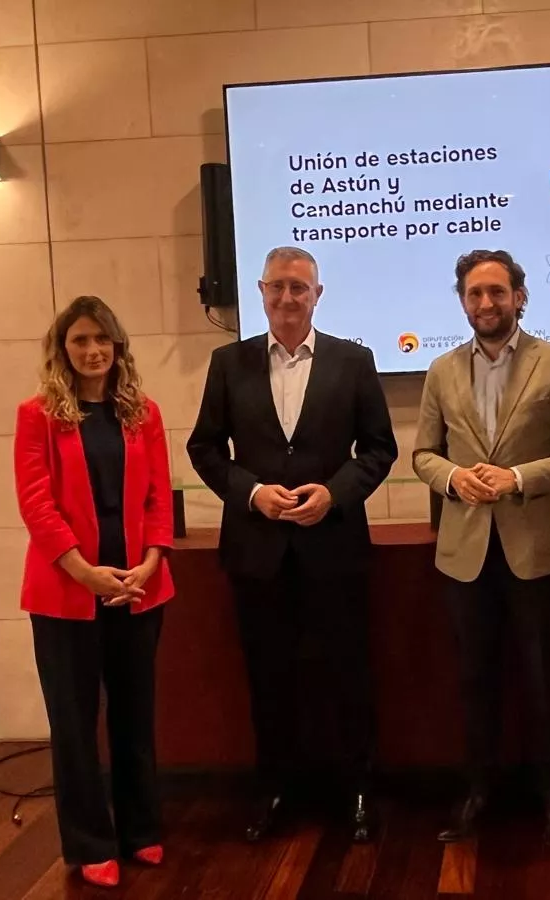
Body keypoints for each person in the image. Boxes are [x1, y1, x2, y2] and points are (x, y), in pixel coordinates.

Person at [186, 246, 397, 844]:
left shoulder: (353, 361)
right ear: (260, 291)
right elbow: (204, 449)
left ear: (317, 295)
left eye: (298, 288)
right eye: (276, 286)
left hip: (333, 547)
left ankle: (358, 788)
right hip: (258, 552)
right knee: (269, 678)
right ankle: (275, 788)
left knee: (347, 674)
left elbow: (380, 449)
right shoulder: (228, 363)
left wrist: (333, 494)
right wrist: (251, 493)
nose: (286, 298)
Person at [412, 248, 550, 849]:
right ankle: (477, 793)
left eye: (497, 292)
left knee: (544, 680)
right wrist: (451, 478)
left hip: (535, 550)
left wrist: (517, 479)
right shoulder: (441, 370)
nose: (486, 303)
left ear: (520, 296)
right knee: (474, 679)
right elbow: (422, 453)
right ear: (462, 301)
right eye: (474, 294)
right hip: (464, 553)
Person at [15, 296, 176, 889]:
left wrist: (150, 562)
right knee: (76, 723)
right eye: (79, 340)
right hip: (66, 594)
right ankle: (89, 841)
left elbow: (160, 498)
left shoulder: (144, 414)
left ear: (117, 347)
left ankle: (140, 830)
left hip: (139, 588)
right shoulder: (38, 416)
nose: (92, 351)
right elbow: (36, 504)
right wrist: (86, 572)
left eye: (101, 340)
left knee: (136, 715)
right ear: (63, 350)